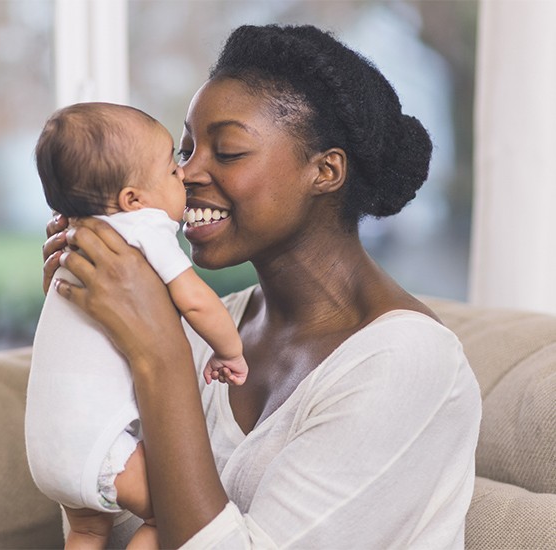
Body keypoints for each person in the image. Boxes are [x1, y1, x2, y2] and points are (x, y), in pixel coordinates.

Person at [41, 23, 482, 549]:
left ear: (325, 171)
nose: (187, 173)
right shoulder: (209, 326)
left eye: (226, 152)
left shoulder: (406, 362)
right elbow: (106, 508)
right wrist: (87, 337)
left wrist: (159, 355)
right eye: (183, 151)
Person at [25, 102, 249, 549]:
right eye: (172, 167)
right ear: (133, 199)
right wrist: (230, 351)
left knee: (88, 531)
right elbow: (198, 303)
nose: (183, 175)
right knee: (173, 514)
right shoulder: (143, 231)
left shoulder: (80, 241)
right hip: (104, 449)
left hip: (44, 452)